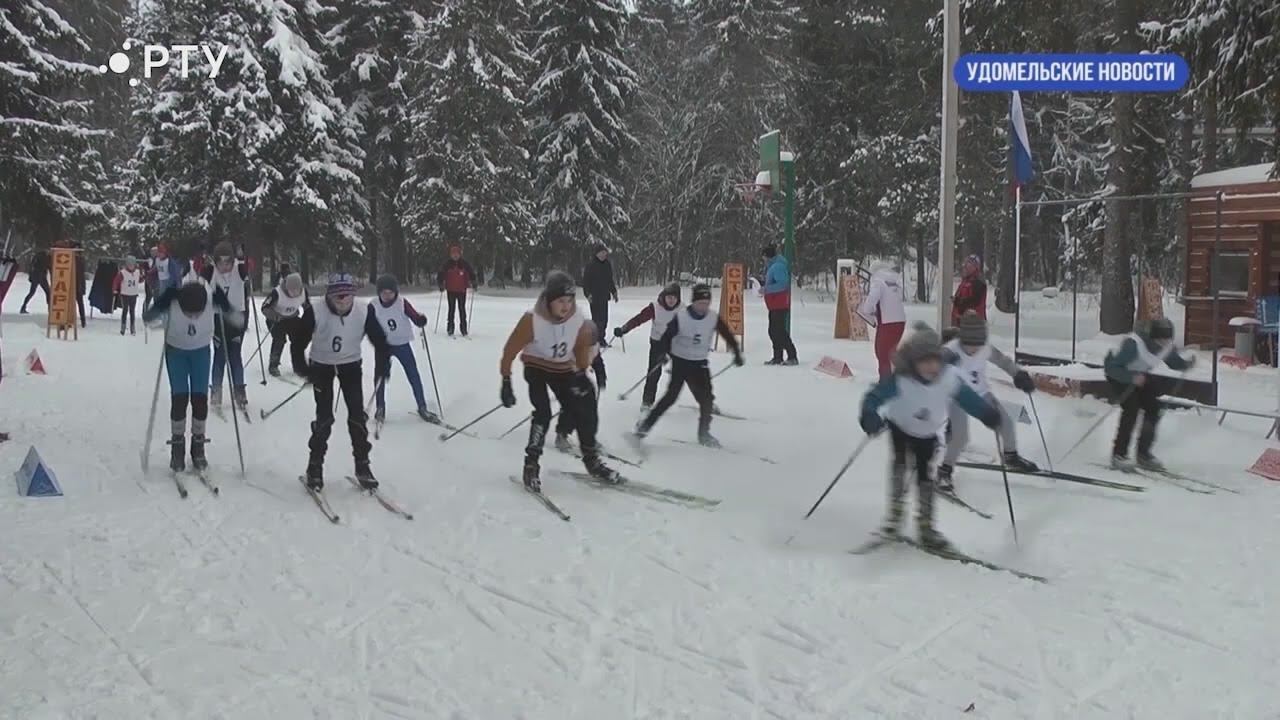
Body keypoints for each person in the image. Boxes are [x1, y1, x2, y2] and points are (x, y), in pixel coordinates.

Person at [859, 322, 1000, 549]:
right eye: (924, 361)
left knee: (925, 476)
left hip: (927, 435)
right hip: (901, 428)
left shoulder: (948, 377)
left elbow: (967, 399)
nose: (931, 367)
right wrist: (869, 415)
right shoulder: (901, 380)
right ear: (913, 363)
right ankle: (894, 518)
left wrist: (986, 413)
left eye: (935, 360)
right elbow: (874, 396)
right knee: (900, 467)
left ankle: (926, 526)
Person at [499, 271, 618, 491]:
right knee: (542, 412)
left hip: (562, 368)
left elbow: (583, 344)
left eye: (570, 300)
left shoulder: (576, 318)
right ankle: (531, 464)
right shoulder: (532, 320)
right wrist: (506, 380)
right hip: (537, 367)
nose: (566, 306)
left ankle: (591, 459)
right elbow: (510, 350)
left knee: (585, 403)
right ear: (549, 300)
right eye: (561, 301)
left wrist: (587, 369)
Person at [298, 273, 384, 491]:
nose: (343, 302)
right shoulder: (315, 311)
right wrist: (304, 369)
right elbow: (297, 343)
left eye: (347, 297)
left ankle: (362, 465)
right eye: (337, 297)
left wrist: (384, 364)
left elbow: (380, 340)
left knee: (356, 417)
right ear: (329, 295)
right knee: (325, 418)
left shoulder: (364, 311)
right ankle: (314, 466)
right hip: (322, 366)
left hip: (351, 366)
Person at [631, 283, 744, 449]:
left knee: (706, 400)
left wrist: (736, 351)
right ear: (694, 302)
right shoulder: (682, 317)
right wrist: (663, 353)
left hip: (699, 364)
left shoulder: (712, 317)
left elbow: (726, 333)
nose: (703, 307)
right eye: (700, 303)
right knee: (670, 398)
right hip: (681, 362)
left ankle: (704, 434)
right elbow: (667, 336)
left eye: (706, 303)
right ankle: (643, 429)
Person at [142, 278, 238, 472]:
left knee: (199, 399)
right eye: (189, 313)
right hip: (176, 352)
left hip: (200, 353)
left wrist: (225, 302)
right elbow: (148, 318)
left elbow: (238, 320)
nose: (193, 317)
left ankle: (198, 446)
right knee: (179, 398)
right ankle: (177, 448)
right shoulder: (173, 300)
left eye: (197, 313)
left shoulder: (211, 300)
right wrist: (162, 301)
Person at [936, 311, 1039, 490]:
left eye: (978, 344)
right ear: (962, 340)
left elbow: (1003, 361)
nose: (975, 349)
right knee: (960, 437)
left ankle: (1011, 456)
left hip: (982, 394)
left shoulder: (985, 348)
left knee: (1005, 421)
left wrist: (1019, 374)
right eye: (970, 345)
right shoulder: (952, 350)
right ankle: (945, 471)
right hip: (958, 397)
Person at [1102, 317, 1194, 472]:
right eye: (1160, 340)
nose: (1163, 344)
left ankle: (1143, 454)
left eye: (1166, 340)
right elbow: (1111, 368)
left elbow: (1173, 361)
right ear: (1152, 337)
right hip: (1119, 375)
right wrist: (1131, 377)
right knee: (1131, 409)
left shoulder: (1166, 346)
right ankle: (1119, 454)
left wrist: (1186, 365)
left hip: (1141, 376)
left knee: (1153, 409)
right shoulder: (1133, 345)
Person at [366, 274, 434, 423]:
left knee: (413, 375)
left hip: (402, 344)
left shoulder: (402, 303)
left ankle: (422, 406)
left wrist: (420, 320)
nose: (387, 296)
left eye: (390, 293)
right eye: (384, 293)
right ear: (379, 293)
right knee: (380, 377)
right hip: (383, 347)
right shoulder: (373, 305)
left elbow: (415, 317)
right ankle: (380, 408)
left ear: (395, 292)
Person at [613, 283, 682, 413]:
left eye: (674, 297)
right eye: (669, 297)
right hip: (658, 344)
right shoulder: (655, 308)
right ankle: (647, 402)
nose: (671, 300)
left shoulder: (682, 310)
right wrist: (624, 329)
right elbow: (639, 319)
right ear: (664, 296)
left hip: (676, 344)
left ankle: (705, 400)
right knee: (654, 372)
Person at [200, 242, 250, 410]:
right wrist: (204, 257)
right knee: (219, 356)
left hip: (236, 320)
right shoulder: (211, 271)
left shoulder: (239, 269)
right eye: (220, 262)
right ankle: (216, 390)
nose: (224, 266)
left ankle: (239, 390)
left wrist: (242, 255)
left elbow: (246, 268)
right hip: (217, 319)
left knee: (235, 356)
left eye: (227, 262)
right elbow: (201, 272)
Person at [857, 261, 907, 379]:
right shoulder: (894, 281)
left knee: (882, 353)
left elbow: (872, 300)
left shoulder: (878, 280)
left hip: (887, 323)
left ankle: (886, 382)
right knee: (891, 352)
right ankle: (896, 377)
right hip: (900, 321)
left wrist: (867, 310)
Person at [261, 272, 309, 377]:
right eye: (291, 290)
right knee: (279, 340)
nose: (294, 293)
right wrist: (274, 316)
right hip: (276, 319)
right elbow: (264, 308)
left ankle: (299, 365)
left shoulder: (304, 292)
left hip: (292, 318)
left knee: (298, 340)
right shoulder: (277, 292)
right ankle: (273, 365)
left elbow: (307, 307)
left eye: (296, 290)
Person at [761, 244, 798, 365]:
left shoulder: (777, 267)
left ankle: (792, 356)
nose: (764, 261)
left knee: (779, 331)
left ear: (768, 257)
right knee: (773, 331)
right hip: (774, 304)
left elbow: (782, 285)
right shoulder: (774, 266)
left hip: (779, 304)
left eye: (764, 258)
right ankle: (778, 356)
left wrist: (766, 289)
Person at [581, 243, 617, 347]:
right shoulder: (590, 265)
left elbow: (610, 280)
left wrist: (614, 292)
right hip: (594, 297)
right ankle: (595, 339)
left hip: (604, 296)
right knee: (597, 320)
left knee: (604, 319)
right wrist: (588, 294)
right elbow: (586, 282)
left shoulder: (607, 265)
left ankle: (601, 339)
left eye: (605, 253)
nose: (603, 255)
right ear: (596, 254)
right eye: (601, 253)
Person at [437, 244, 477, 337]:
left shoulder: (464, 263)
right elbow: (441, 274)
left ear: (460, 254)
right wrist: (441, 284)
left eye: (457, 254)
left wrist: (474, 282)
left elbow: (471, 273)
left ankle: (463, 329)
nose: (455, 256)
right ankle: (450, 328)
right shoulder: (447, 264)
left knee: (462, 309)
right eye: (453, 254)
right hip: (450, 290)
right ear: (450, 255)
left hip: (462, 290)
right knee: (451, 309)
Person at [950, 254, 987, 326]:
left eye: (970, 265)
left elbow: (975, 301)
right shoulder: (965, 281)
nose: (966, 267)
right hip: (960, 321)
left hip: (972, 323)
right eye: (966, 264)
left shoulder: (978, 282)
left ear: (976, 267)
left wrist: (959, 301)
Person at [113, 255, 145, 335]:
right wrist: (114, 289)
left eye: (132, 265)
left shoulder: (137, 272)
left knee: (132, 311)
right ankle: (123, 327)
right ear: (126, 265)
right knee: (125, 311)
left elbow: (140, 280)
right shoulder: (122, 273)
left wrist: (144, 276)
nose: (131, 266)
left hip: (133, 294)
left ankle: (132, 327)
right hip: (125, 294)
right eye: (129, 265)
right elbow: (116, 281)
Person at [18, 248, 49, 314]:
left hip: (36, 275)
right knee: (48, 292)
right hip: (41, 276)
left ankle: (23, 307)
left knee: (32, 292)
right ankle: (50, 308)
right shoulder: (45, 257)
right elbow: (45, 266)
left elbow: (32, 265)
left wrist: (31, 275)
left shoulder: (37, 255)